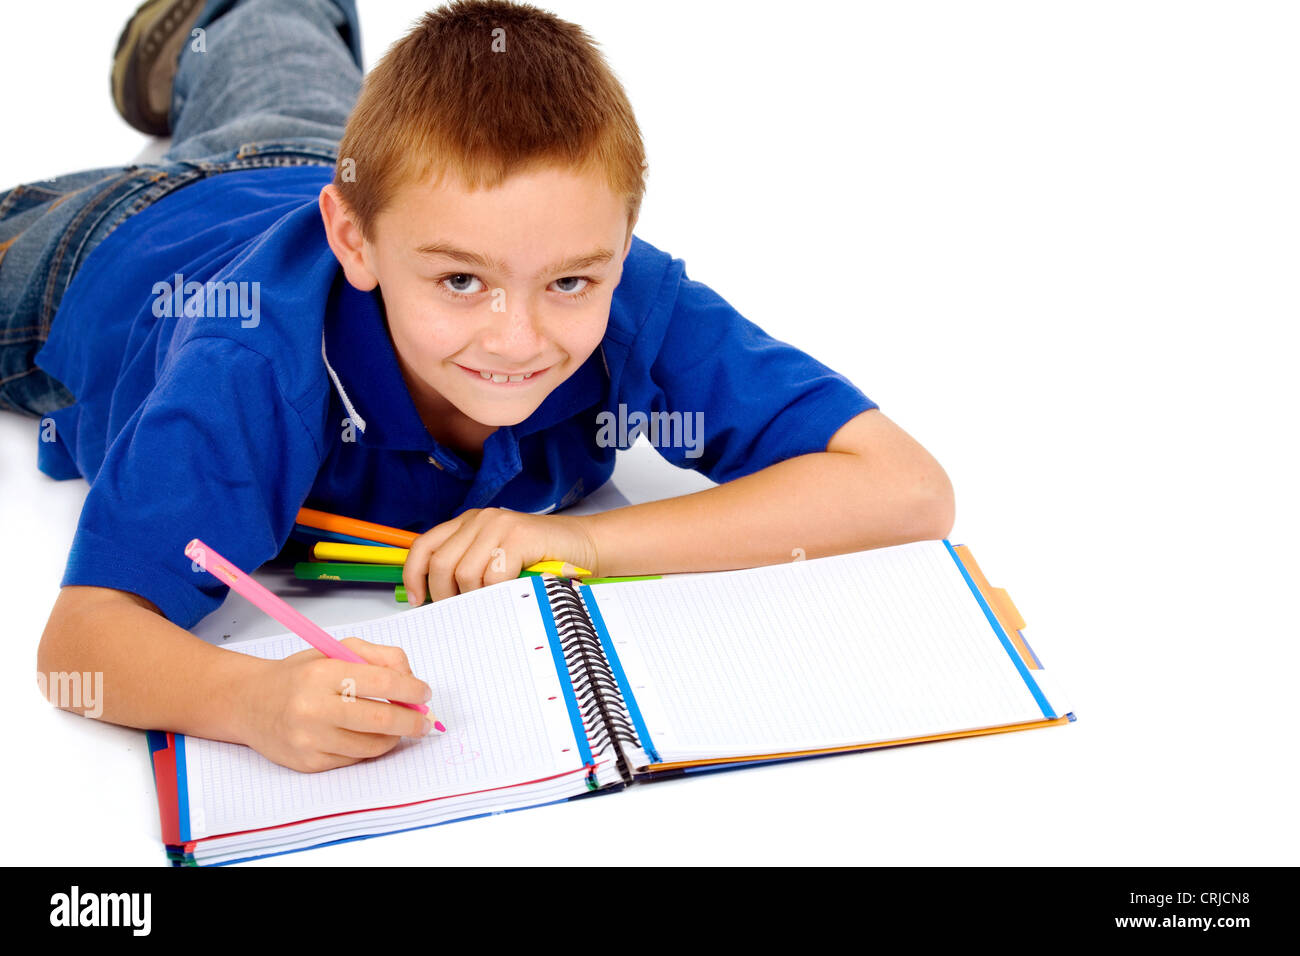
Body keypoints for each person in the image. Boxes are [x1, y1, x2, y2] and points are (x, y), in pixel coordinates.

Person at [18, 0, 954, 772]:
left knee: (280, 51)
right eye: (462, 282)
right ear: (358, 245)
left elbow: (905, 486)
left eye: (572, 283)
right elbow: (83, 643)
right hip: (105, 251)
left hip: (313, 161)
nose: (519, 339)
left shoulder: (608, 284)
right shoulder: (248, 365)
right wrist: (251, 699)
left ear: (620, 248)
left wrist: (578, 538)